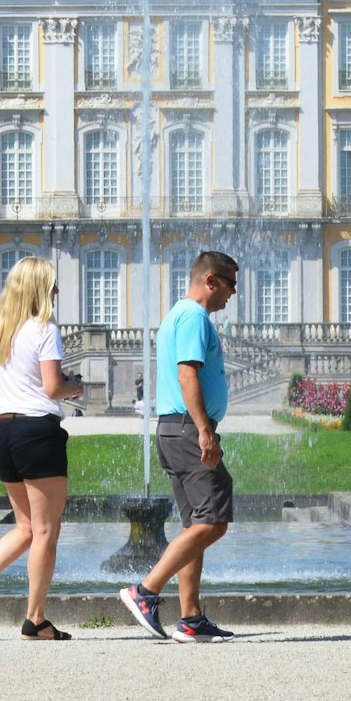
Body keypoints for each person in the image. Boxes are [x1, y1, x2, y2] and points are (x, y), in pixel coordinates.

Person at [0, 256, 85, 640]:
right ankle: (36, 618)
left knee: (27, 527)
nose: (57, 292)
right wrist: (74, 386)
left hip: (3, 432)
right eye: (53, 285)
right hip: (37, 432)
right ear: (40, 289)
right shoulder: (45, 328)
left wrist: (14, 386)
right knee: (46, 530)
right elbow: (51, 388)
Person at [120, 250, 239, 643]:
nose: (233, 294)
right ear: (211, 281)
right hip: (188, 430)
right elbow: (187, 373)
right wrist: (205, 429)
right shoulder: (193, 317)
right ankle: (145, 591)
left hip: (174, 429)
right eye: (230, 284)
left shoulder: (177, 314)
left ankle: (190, 617)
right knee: (213, 521)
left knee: (195, 525)